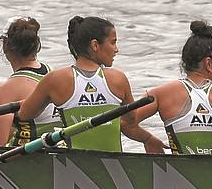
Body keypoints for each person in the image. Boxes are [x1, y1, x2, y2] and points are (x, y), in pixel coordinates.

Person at [13, 16, 166, 153]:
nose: (116, 49)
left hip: (73, 167)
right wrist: (148, 139)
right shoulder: (118, 79)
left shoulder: (55, 79)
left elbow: (25, 115)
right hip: (116, 168)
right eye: (113, 43)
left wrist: (34, 100)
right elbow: (129, 122)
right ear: (95, 45)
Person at [134, 20, 212, 154]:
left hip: (176, 173)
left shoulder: (160, 94)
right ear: (208, 64)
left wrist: (148, 139)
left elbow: (124, 123)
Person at [0, 16, 61, 147]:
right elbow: (10, 131)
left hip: (25, 157)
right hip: (54, 149)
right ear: (36, 46)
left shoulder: (9, 89)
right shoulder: (54, 74)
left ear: (5, 47)